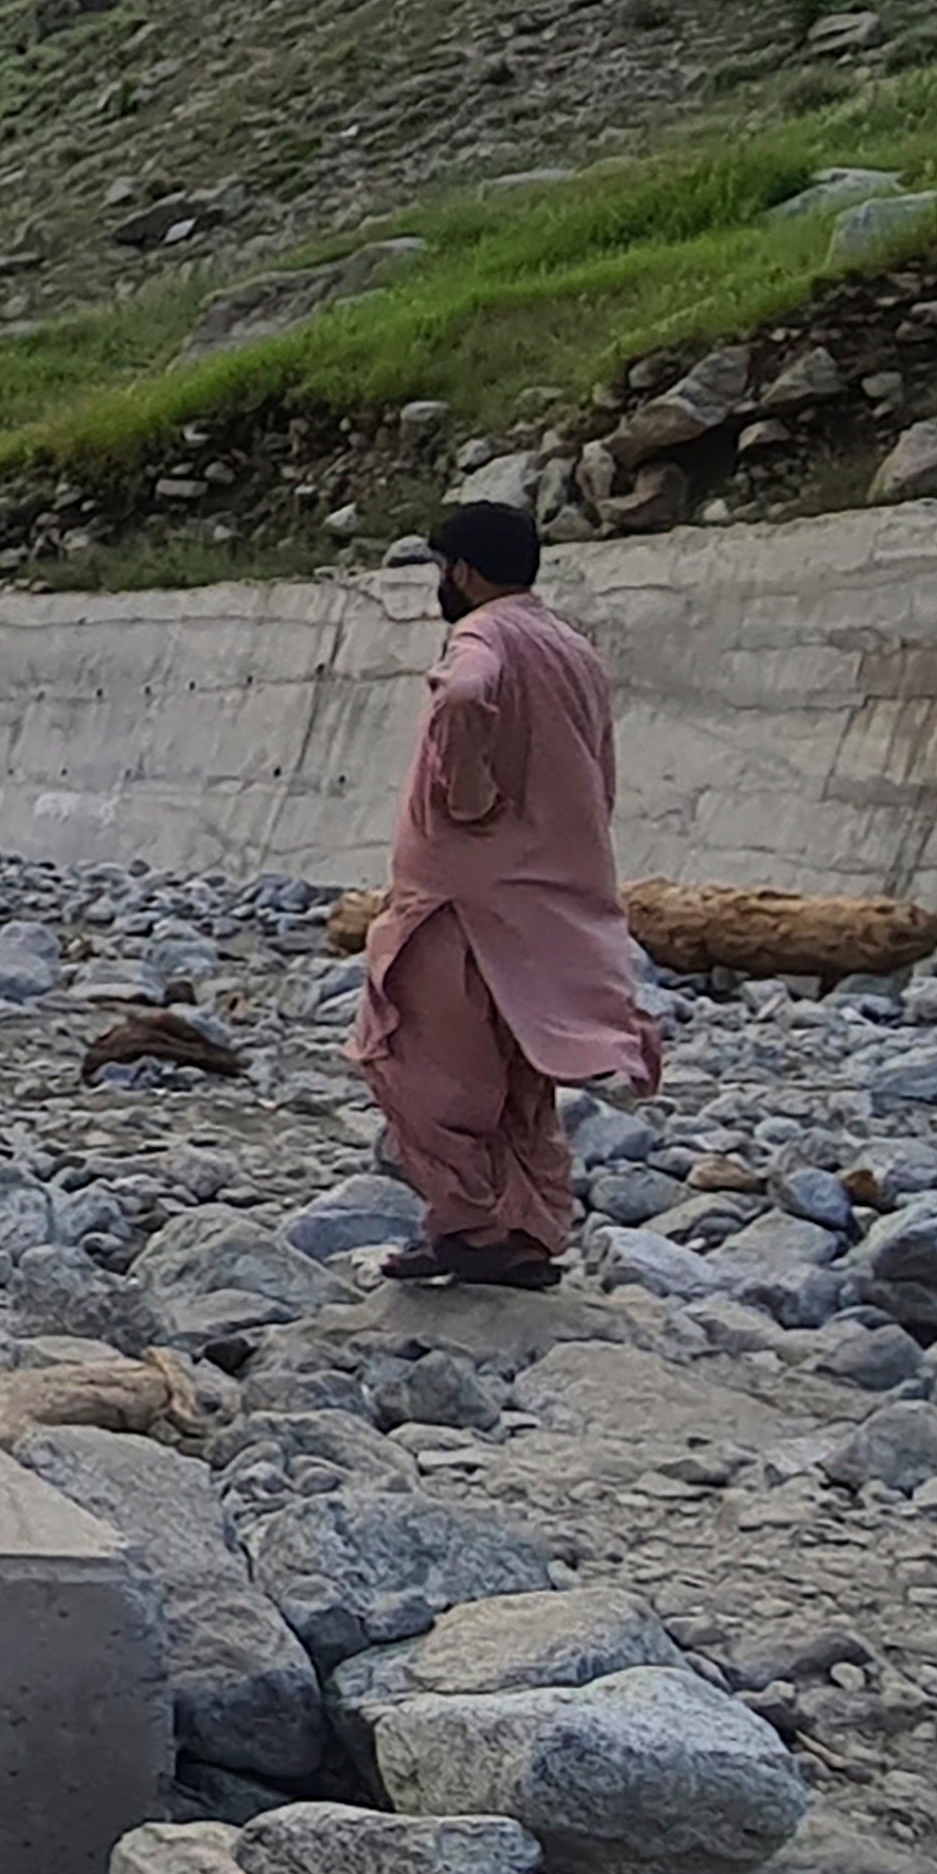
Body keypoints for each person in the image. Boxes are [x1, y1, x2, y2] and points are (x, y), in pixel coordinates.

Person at [354, 500, 660, 1292]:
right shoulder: (573, 649)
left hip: (460, 905)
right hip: (544, 897)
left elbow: (462, 698)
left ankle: (469, 1225)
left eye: (441, 570)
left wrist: (467, 793)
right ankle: (530, 1229)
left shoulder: (482, 635)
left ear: (461, 571)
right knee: (523, 1077)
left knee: (418, 1066)